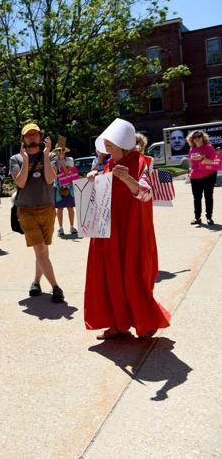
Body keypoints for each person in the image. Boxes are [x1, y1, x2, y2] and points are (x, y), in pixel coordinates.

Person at [84, 119, 171, 339]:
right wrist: (95, 177)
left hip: (132, 231)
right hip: (109, 231)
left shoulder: (143, 162)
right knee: (108, 276)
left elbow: (147, 194)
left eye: (110, 146)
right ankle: (117, 324)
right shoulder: (109, 164)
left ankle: (146, 322)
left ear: (122, 144)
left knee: (133, 276)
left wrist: (129, 180)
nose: (107, 150)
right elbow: (104, 191)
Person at [9, 123, 65, 303]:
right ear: (23, 139)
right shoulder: (15, 159)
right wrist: (26, 161)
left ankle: (36, 282)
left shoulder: (52, 156)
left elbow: (50, 178)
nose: (32, 138)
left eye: (35, 135)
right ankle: (56, 287)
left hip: (47, 208)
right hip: (26, 210)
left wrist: (47, 155)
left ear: (40, 137)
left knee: (43, 250)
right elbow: (21, 183)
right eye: (28, 135)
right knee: (40, 248)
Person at [187, 130, 216, 225]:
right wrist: (190, 168)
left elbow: (212, 162)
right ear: (192, 139)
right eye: (194, 137)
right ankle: (197, 218)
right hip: (195, 176)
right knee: (197, 198)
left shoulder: (209, 147)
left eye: (199, 136)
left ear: (203, 137)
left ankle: (209, 217)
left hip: (208, 175)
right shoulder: (192, 148)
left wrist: (202, 158)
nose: (197, 139)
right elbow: (191, 161)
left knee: (208, 196)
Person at [53, 146, 77, 236]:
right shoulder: (54, 161)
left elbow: (67, 172)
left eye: (62, 150)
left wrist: (62, 162)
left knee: (70, 207)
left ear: (65, 151)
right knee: (59, 208)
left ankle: (72, 227)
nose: (60, 152)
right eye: (58, 151)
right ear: (56, 152)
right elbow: (54, 173)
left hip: (69, 186)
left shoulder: (70, 159)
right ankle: (60, 228)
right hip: (58, 186)